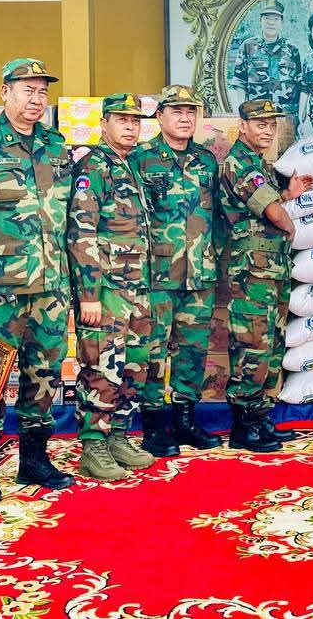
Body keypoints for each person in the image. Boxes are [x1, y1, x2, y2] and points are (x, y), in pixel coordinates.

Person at [0, 57, 74, 502]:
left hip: (51, 287)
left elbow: (69, 219)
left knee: (43, 374)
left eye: (42, 91)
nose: (36, 99)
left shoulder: (56, 147)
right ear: (5, 92)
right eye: (28, 90)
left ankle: (34, 460)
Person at [68, 93, 158, 481]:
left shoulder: (130, 165)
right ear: (104, 124)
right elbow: (81, 232)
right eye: (122, 120)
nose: (130, 127)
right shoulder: (94, 166)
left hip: (137, 286)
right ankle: (94, 444)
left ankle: (118, 434)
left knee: (134, 365)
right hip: (106, 290)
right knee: (101, 365)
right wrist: (89, 294)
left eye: (135, 121)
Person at [219, 99, 311, 452]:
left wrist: (288, 193)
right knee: (252, 345)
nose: (268, 130)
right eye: (260, 123)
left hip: (269, 268)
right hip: (252, 271)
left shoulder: (259, 164)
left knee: (269, 344)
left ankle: (259, 417)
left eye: (272, 124)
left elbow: (265, 200)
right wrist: (289, 225)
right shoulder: (240, 162)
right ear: (242, 126)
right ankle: (243, 426)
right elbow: (271, 211)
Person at [134, 84, 222, 455]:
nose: (185, 118)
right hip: (157, 274)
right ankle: (155, 427)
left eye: (191, 112)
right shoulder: (142, 159)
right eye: (177, 112)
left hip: (199, 272)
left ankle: (186, 420)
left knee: (193, 350)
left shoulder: (206, 161)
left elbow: (218, 214)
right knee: (153, 350)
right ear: (160, 116)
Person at [230, 0, 303, 129]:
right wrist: (241, 114)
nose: (271, 23)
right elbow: (240, 83)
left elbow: (300, 84)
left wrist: (301, 120)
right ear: (260, 21)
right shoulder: (248, 47)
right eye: (267, 18)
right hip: (257, 116)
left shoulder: (292, 49)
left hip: (286, 117)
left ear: (282, 22)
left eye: (276, 19)